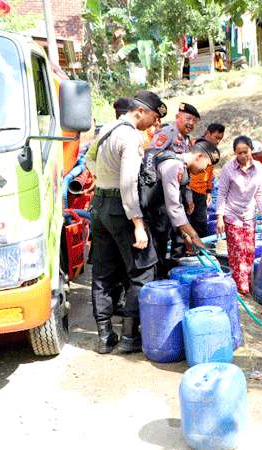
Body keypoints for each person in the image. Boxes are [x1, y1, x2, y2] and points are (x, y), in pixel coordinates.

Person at [89, 90, 167, 354]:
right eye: (154, 118)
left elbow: (89, 160)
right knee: (142, 271)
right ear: (141, 111)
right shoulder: (131, 136)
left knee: (102, 272)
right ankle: (129, 338)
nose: (155, 125)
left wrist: (102, 179)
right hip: (120, 210)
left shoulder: (106, 129)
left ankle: (104, 336)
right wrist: (137, 223)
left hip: (98, 206)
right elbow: (128, 184)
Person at [142, 140, 216, 278]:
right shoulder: (174, 166)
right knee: (148, 267)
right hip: (147, 221)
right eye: (207, 164)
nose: (205, 170)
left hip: (156, 220)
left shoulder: (181, 165)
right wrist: (194, 236)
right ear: (199, 156)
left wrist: (185, 235)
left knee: (158, 261)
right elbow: (174, 207)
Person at [215, 136, 262, 294]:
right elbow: (222, 194)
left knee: (249, 253)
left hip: (249, 216)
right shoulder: (228, 169)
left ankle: (245, 286)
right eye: (239, 153)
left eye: (245, 152)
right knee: (237, 255)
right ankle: (241, 289)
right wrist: (219, 217)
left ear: (251, 150)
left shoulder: (258, 167)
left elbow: (259, 193)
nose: (243, 156)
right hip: (232, 216)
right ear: (235, 153)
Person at [150, 103, 201, 259]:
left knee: (179, 236)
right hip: (160, 196)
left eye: (194, 121)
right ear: (178, 117)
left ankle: (175, 267)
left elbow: (185, 173)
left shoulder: (186, 141)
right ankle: (159, 275)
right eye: (188, 118)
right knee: (161, 236)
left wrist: (189, 198)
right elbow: (152, 158)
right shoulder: (167, 133)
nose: (191, 123)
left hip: (177, 194)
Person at [189, 123, 225, 238]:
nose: (218, 141)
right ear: (208, 133)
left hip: (202, 191)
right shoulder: (194, 145)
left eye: (220, 139)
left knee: (201, 221)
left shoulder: (213, 151)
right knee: (188, 219)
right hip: (189, 188)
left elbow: (210, 173)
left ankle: (201, 247)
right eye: (216, 137)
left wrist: (209, 190)